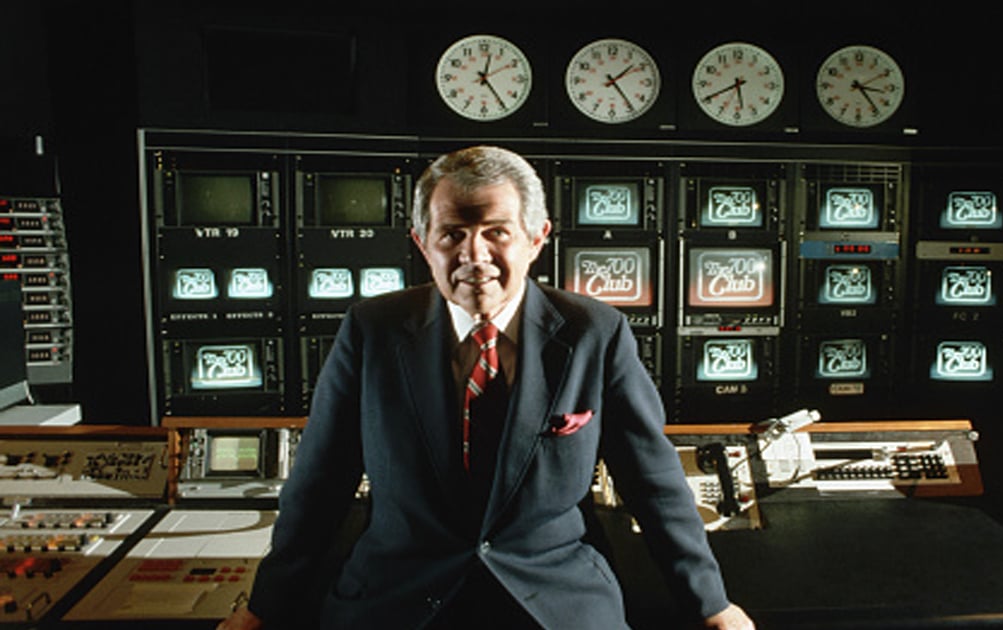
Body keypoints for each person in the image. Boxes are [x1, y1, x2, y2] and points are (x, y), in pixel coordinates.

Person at [218, 145, 754, 629]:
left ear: (536, 238)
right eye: (452, 233)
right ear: (422, 243)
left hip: (556, 602)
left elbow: (652, 482)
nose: (473, 255)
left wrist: (711, 604)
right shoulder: (372, 330)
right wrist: (264, 608)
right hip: (395, 600)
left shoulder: (596, 332)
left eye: (496, 231)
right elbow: (319, 485)